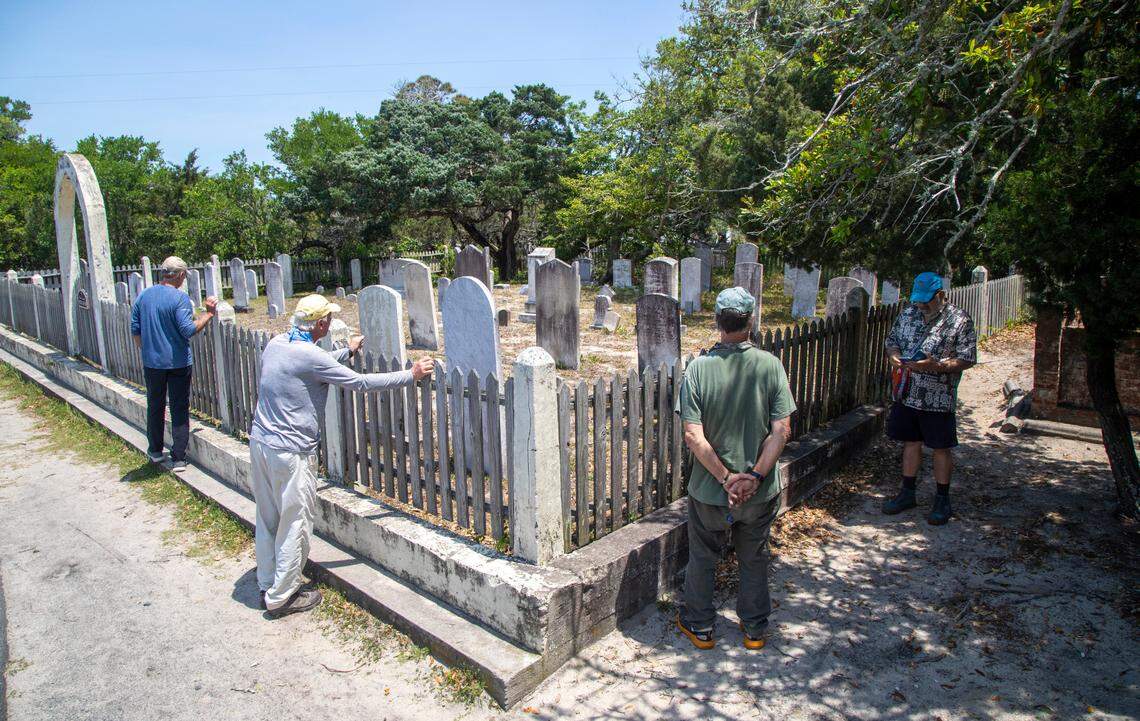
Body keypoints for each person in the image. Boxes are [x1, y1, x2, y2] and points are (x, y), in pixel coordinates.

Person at [249, 294, 435, 617]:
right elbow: (360, 384)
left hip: (261, 444)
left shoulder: (277, 343)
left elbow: (310, 366)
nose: (332, 322)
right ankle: (281, 597)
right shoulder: (310, 355)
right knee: (295, 521)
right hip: (291, 453)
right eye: (329, 319)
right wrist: (411, 374)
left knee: (267, 518)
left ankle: (267, 582)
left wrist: (345, 352)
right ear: (321, 324)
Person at [675, 287, 796, 651]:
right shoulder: (770, 365)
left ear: (717, 322)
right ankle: (755, 629)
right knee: (754, 556)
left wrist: (727, 479)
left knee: (702, 557)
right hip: (758, 493)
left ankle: (700, 627)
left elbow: (693, 437)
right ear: (751, 321)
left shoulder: (698, 369)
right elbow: (782, 430)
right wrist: (755, 476)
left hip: (711, 492)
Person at [882, 272, 977, 525]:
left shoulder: (959, 320)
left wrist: (938, 366)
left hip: (938, 396)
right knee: (910, 442)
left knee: (940, 447)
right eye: (918, 300)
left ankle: (942, 499)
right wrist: (894, 355)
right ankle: (907, 492)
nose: (922, 306)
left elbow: (968, 357)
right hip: (907, 392)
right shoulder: (908, 314)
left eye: (927, 301)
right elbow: (891, 341)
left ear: (941, 295)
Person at [130, 256, 217, 471]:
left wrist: (148, 350)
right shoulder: (179, 299)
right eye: (184, 275)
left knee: (155, 405)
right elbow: (188, 330)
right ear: (179, 275)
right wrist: (208, 314)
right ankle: (178, 457)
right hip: (177, 362)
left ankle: (155, 450)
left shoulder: (144, 296)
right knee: (179, 407)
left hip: (153, 363)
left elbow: (135, 329)